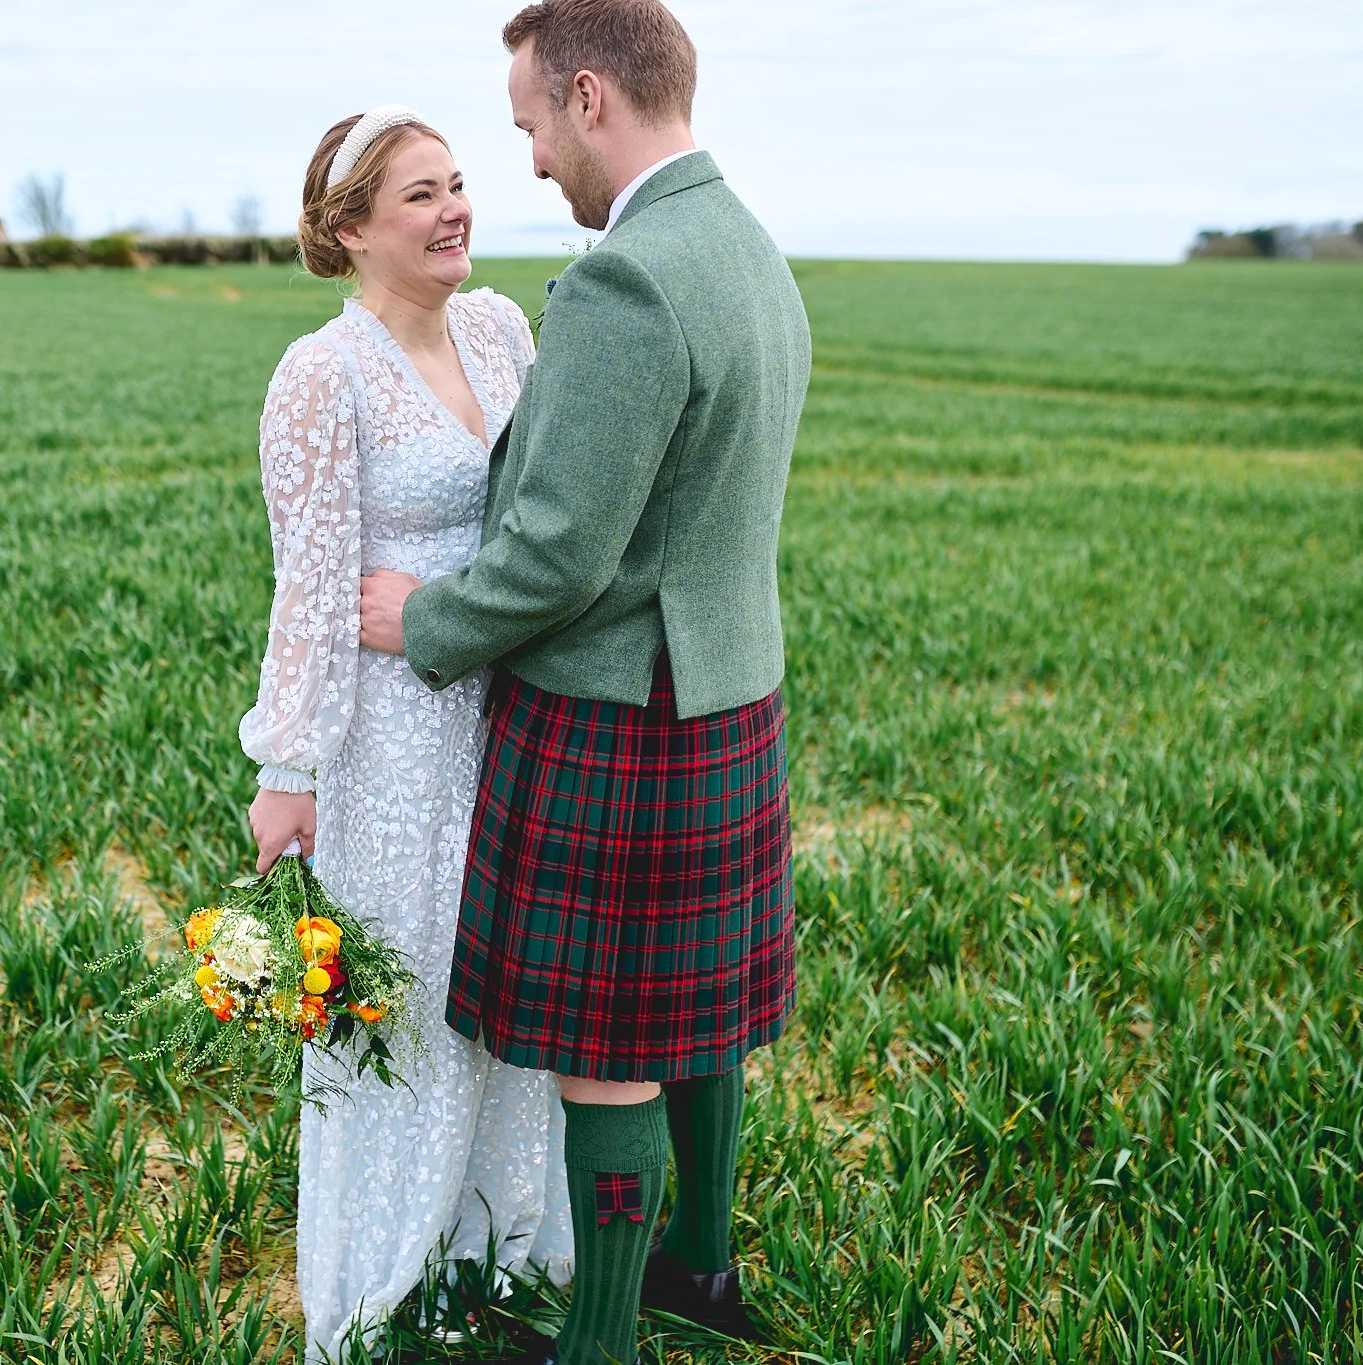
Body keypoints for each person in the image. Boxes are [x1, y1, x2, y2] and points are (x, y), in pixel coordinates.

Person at [358, 1, 814, 1361]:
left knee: (611, 1038)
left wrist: (424, 620)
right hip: (726, 685)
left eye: (532, 126)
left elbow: (559, 553)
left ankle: (601, 1343)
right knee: (699, 1013)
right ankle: (699, 1268)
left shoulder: (630, 278)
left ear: (593, 97)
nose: (537, 162)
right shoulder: (745, 244)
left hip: (624, 706)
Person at [238, 107, 573, 1363]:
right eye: (422, 196)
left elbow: (544, 518)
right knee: (397, 1008)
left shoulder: (499, 327)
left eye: (459, 185)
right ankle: (382, 1298)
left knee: (503, 999)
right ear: (349, 230)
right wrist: (286, 769)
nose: (456, 211)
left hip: (508, 709)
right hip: (390, 744)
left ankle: (495, 1269)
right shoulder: (318, 374)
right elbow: (309, 588)